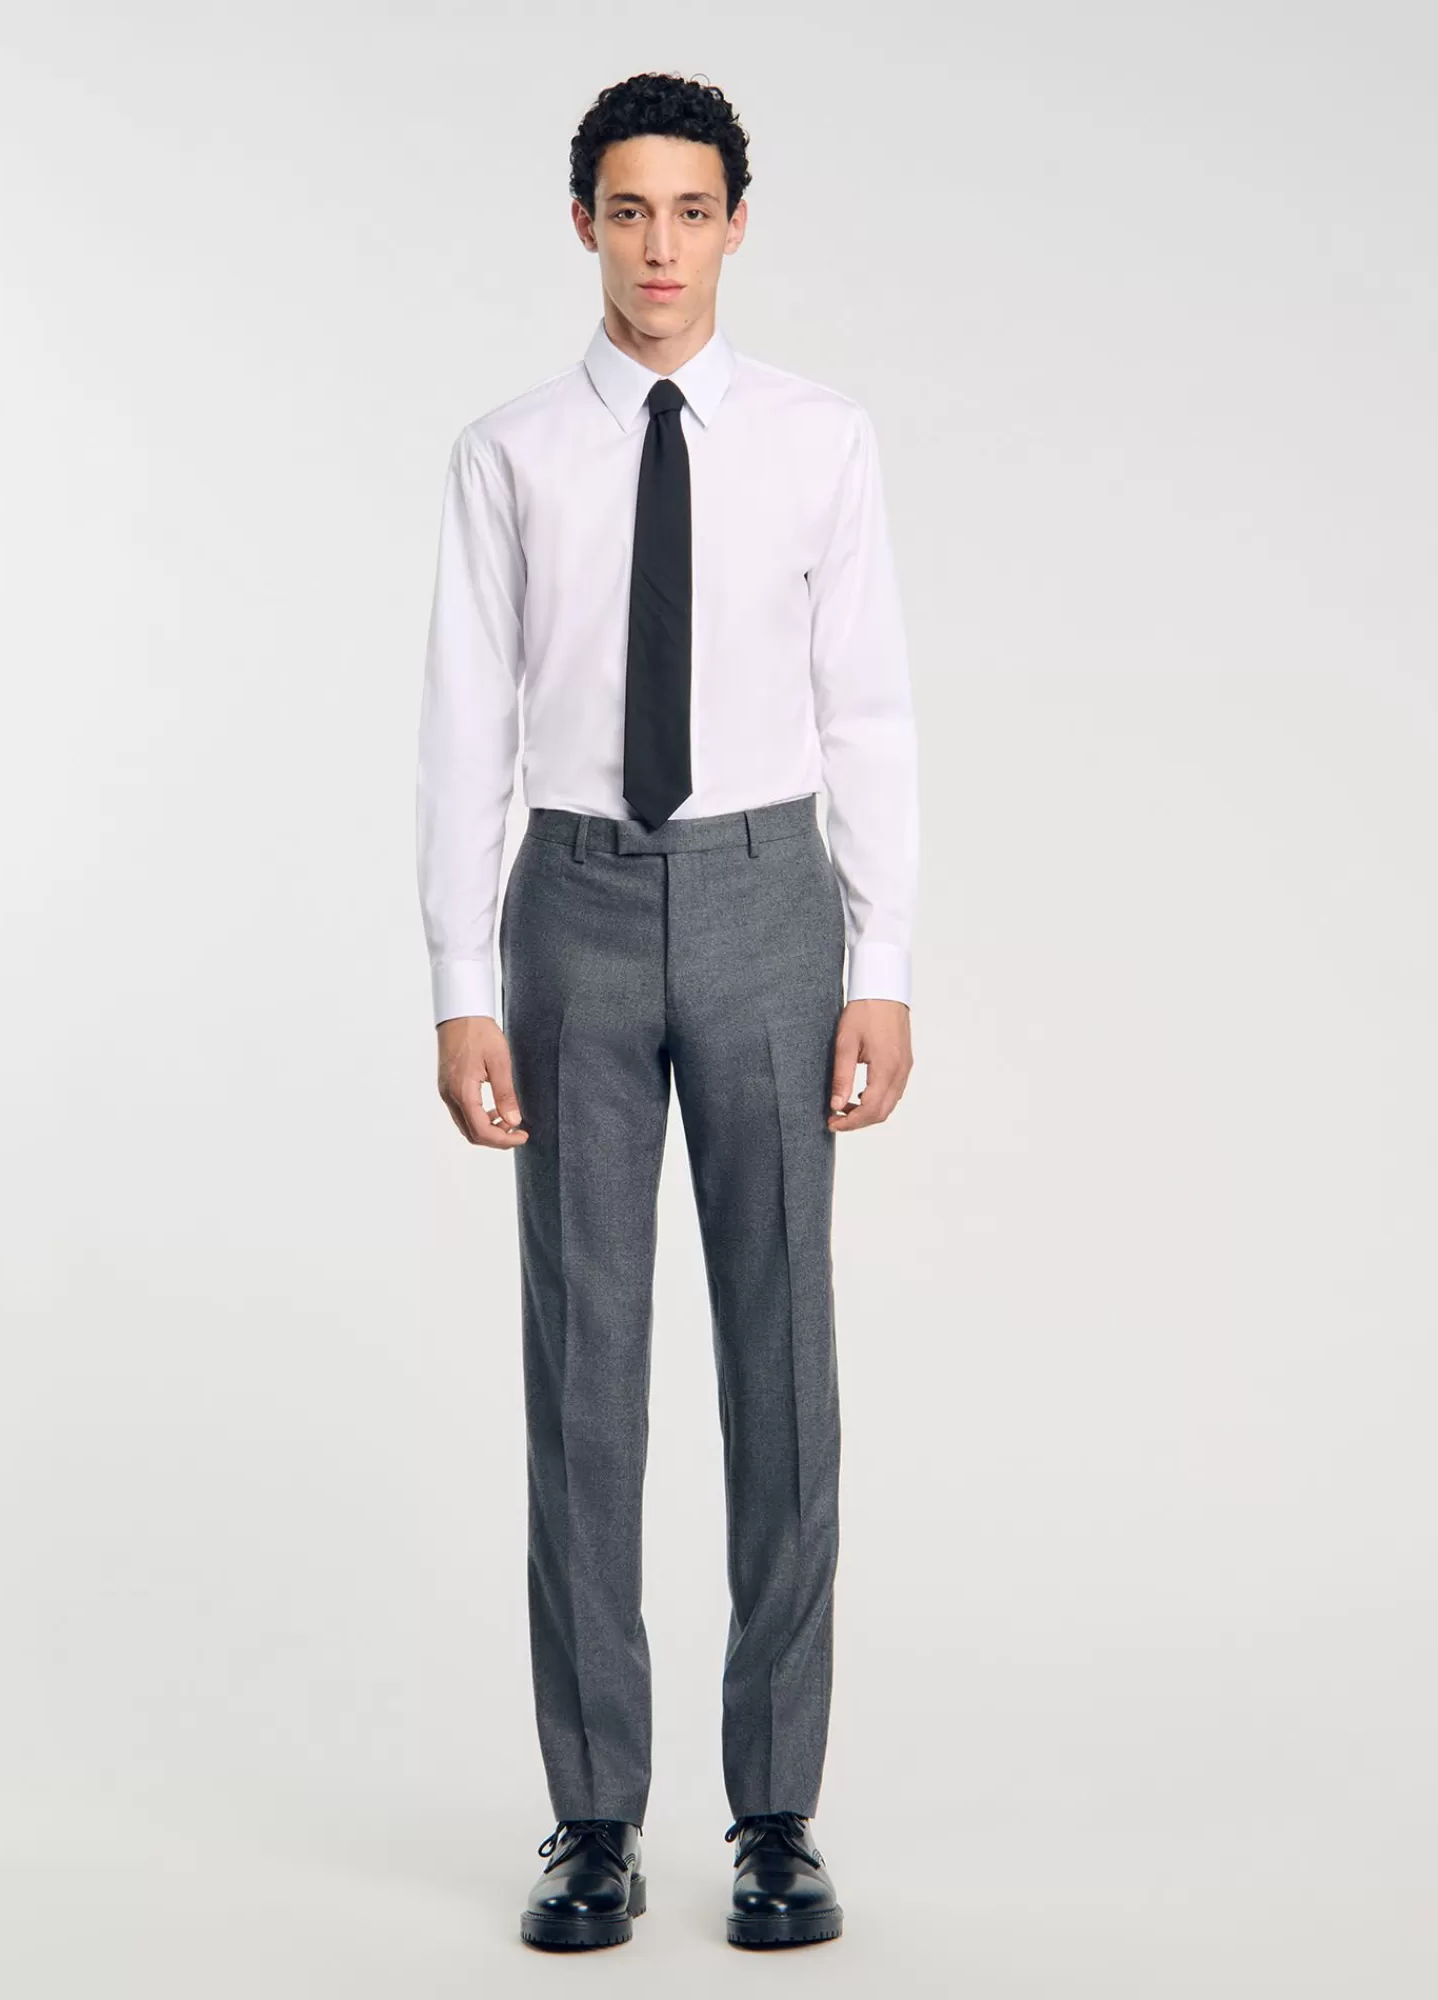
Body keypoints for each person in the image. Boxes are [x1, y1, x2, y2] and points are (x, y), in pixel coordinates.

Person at [413, 70, 919, 1952]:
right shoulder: (510, 454)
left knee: (784, 1361)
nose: (659, 246)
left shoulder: (819, 440)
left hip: (771, 897)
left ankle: (776, 1812)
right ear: (583, 225)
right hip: (574, 905)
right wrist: (460, 981)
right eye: (627, 209)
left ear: (734, 226)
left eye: (691, 210)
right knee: (585, 1367)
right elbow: (465, 720)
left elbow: (869, 706)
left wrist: (880, 962)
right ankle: (593, 1816)